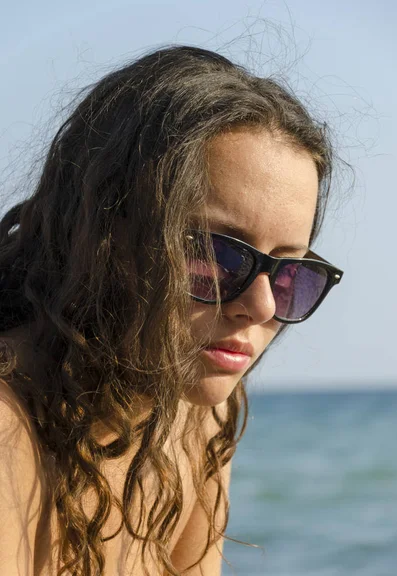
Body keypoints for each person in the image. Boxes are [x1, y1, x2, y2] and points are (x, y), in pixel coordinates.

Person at [0, 45, 343, 576]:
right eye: (214, 256)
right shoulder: (9, 428)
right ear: (105, 240)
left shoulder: (198, 418)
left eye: (288, 272)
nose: (261, 306)